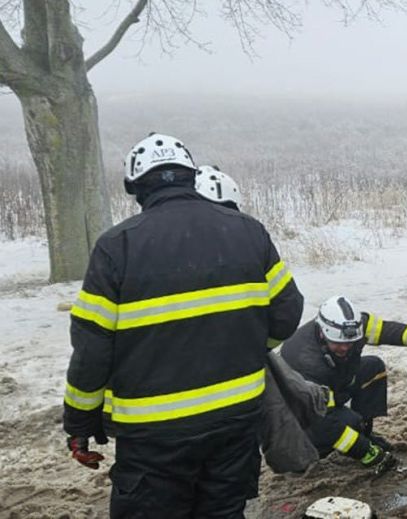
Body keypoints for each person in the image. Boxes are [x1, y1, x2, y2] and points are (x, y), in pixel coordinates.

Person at [63, 133, 304, 518]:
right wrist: (244, 345)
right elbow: (288, 313)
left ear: (136, 188)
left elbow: (92, 349)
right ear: (191, 177)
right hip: (236, 416)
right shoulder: (248, 231)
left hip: (153, 431)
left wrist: (80, 421)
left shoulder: (116, 246)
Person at [280, 295, 407, 472]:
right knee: (349, 422)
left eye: (350, 343)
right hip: (299, 421)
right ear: (322, 333)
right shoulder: (303, 360)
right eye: (338, 344)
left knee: (372, 367)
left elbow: (389, 331)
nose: (345, 348)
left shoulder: (353, 327)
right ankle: (348, 444)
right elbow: (322, 423)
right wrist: (367, 452)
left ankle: (363, 434)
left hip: (332, 388)